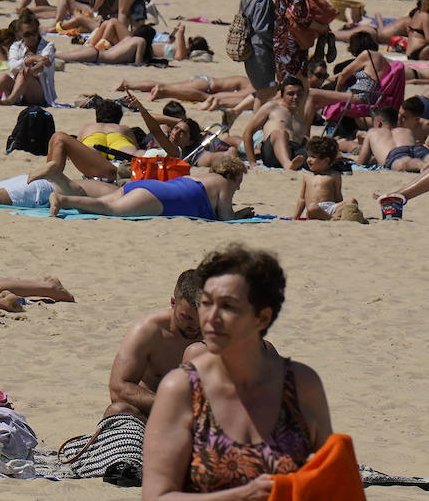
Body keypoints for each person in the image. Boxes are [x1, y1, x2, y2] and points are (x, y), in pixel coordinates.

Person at [141, 245, 332, 499]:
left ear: (262, 318)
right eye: (206, 304)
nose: (211, 317)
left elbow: (332, 485)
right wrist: (240, 495)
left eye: (228, 306)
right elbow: (156, 497)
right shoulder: (182, 389)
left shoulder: (301, 385)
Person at [105, 270, 202, 419]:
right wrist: (171, 405)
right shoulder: (148, 331)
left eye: (201, 318)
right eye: (187, 317)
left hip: (198, 420)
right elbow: (118, 389)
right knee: (117, 410)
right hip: (152, 414)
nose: (195, 326)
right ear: (173, 303)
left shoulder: (216, 334)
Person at [50, 156, 249, 220]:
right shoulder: (224, 183)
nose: (238, 186)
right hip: (159, 198)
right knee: (110, 210)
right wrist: (241, 214)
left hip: (150, 187)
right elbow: (225, 217)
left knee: (101, 204)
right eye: (239, 180)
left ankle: (65, 199)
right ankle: (63, 200)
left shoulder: (204, 176)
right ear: (232, 175)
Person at [0, 11, 56, 106]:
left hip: (39, 94)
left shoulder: (48, 46)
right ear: (20, 34)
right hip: (20, 90)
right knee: (5, 77)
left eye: (34, 33)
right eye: (27, 34)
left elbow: (44, 65)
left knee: (25, 73)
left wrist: (31, 70)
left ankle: (10, 100)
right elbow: (12, 66)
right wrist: (30, 60)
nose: (32, 37)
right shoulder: (16, 46)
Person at [242, 77, 311, 171]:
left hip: (294, 152)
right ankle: (287, 165)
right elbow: (248, 132)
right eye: (290, 94)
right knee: (280, 133)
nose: (295, 97)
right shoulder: (272, 107)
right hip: (272, 152)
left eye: (299, 94)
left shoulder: (301, 116)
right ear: (282, 95)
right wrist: (252, 161)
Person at [240, 0, 280, 104]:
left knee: (262, 93)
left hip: (249, 47)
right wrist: (275, 44)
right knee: (266, 93)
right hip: (259, 51)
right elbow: (261, 28)